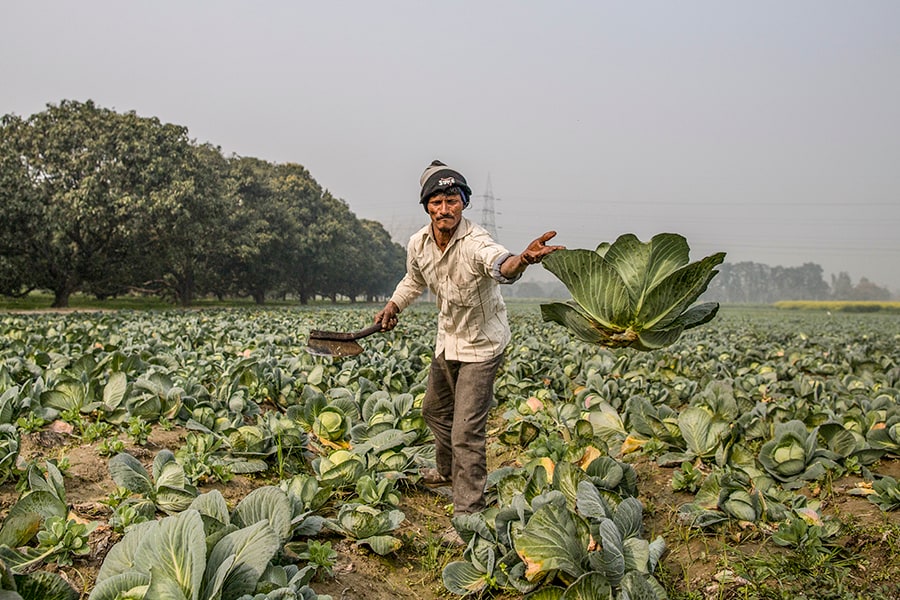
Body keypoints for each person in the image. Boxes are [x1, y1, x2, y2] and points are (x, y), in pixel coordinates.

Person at [375, 159, 564, 519]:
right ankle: (447, 472)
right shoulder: (419, 243)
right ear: (427, 206)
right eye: (437, 202)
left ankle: (468, 513)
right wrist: (393, 305)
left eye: (452, 200)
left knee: (466, 431)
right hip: (448, 339)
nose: (444, 209)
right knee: (433, 411)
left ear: (464, 203)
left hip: (482, 345)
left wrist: (522, 259)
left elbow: (501, 265)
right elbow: (413, 280)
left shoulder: (476, 241)